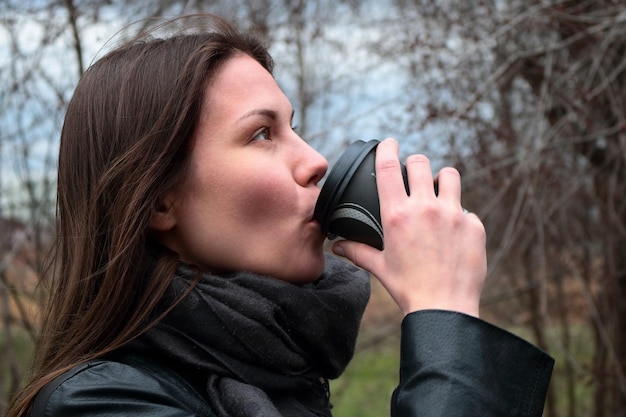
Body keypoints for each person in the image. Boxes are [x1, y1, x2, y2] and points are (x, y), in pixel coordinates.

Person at [7, 14, 554, 417]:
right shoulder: (98, 404)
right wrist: (444, 314)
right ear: (157, 201)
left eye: (293, 126)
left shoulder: (280, 375)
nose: (316, 159)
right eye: (262, 133)